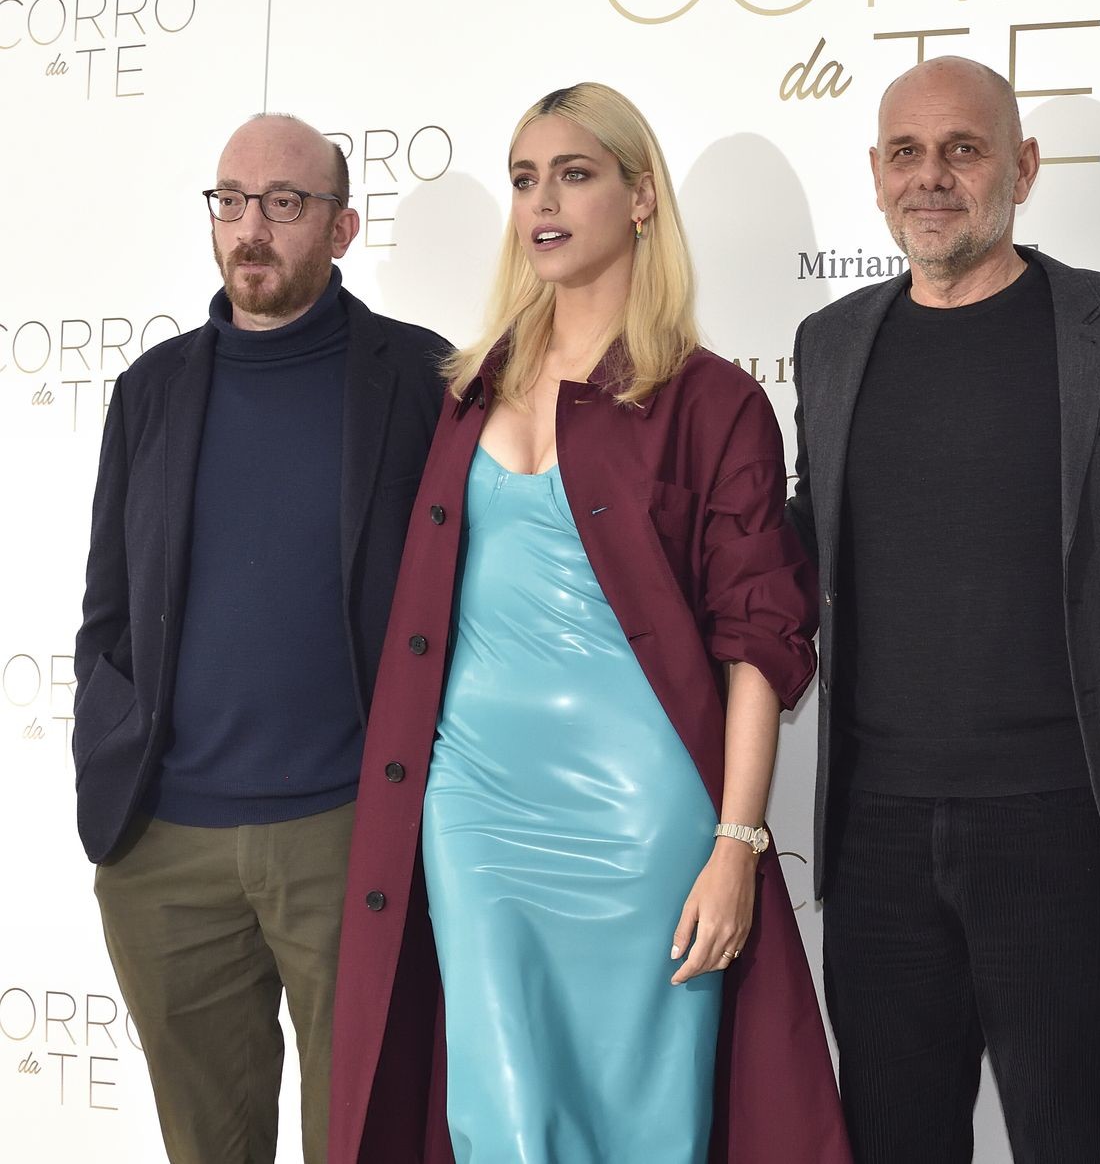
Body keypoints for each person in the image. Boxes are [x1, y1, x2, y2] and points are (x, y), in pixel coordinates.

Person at [326, 82, 850, 1164]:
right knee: (501, 1119)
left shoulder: (714, 401)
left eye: (575, 174)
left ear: (641, 197)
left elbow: (760, 638)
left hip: (641, 814)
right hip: (473, 805)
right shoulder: (469, 389)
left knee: (644, 1127)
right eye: (526, 179)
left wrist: (736, 844)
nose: (543, 202)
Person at [786, 56, 1100, 1163]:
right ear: (876, 173)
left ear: (1024, 167)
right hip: (874, 836)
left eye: (963, 150)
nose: (932, 177)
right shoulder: (830, 343)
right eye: (906, 153)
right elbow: (806, 543)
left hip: (1068, 822)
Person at [72, 114, 450, 1162]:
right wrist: (108, 748)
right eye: (231, 201)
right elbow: (108, 605)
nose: (251, 228)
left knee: (363, 1139)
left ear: (341, 228)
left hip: (348, 832)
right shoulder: (150, 389)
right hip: (166, 850)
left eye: (285, 204)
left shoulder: (422, 378)